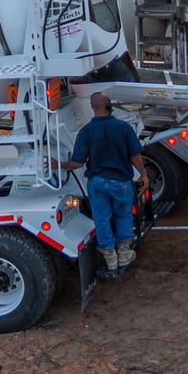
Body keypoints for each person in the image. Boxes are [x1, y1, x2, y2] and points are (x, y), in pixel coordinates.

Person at [60, 92, 147, 277]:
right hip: (122, 183)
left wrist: (57, 165)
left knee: (102, 218)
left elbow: (77, 163)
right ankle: (124, 253)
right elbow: (135, 156)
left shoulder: (86, 131)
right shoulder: (123, 128)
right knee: (123, 215)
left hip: (98, 183)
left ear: (93, 107)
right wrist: (144, 175)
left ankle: (110, 258)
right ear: (109, 105)